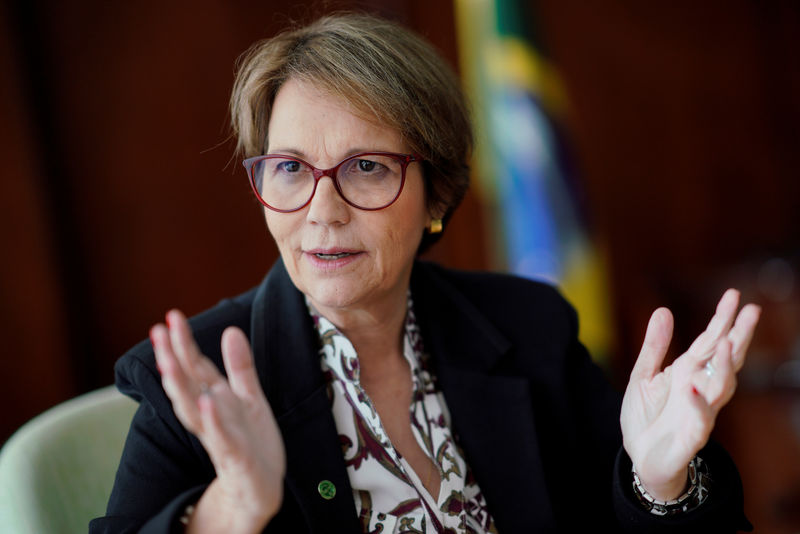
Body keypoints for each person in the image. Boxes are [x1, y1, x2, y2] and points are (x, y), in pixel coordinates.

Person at [90, 12, 760, 534]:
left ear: (437, 196)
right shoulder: (195, 376)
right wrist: (234, 508)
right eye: (290, 168)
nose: (323, 212)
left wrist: (654, 482)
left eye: (367, 167)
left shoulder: (525, 327)